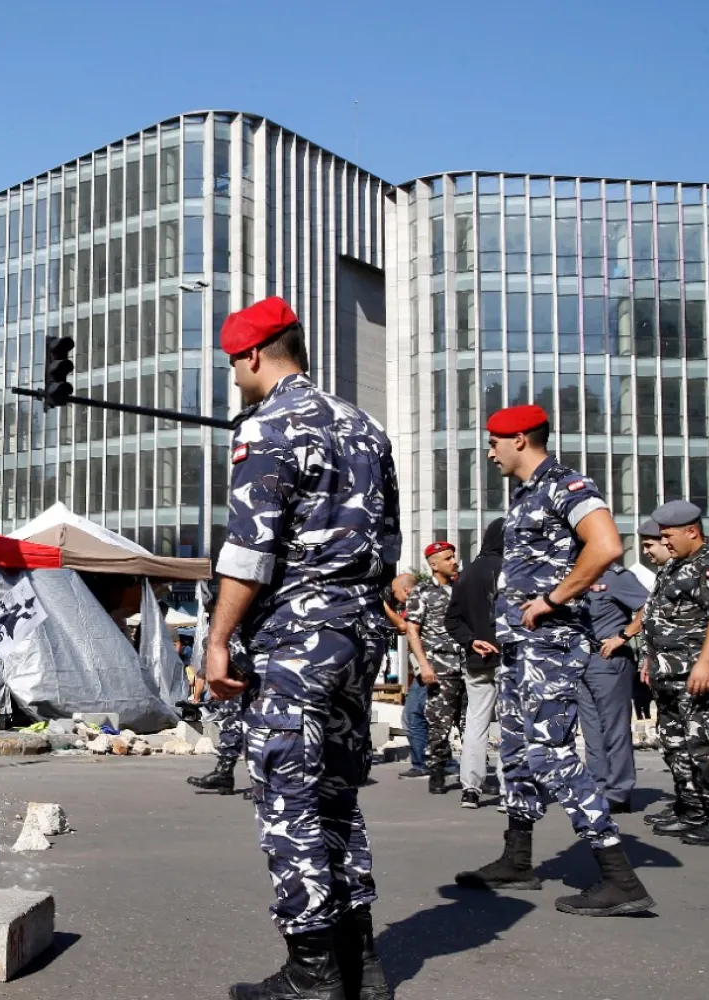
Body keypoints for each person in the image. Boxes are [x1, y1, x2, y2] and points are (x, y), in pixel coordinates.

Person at [204, 297, 399, 1000]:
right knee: (339, 797)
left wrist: (219, 638)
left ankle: (311, 974)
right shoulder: (365, 425)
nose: (234, 377)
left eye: (234, 364)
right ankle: (363, 967)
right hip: (358, 635)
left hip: (296, 640)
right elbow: (389, 543)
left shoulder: (269, 427)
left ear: (254, 354)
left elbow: (251, 547)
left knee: (289, 799)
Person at [455, 404, 653, 917]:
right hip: (524, 647)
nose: (489, 450)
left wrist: (552, 600)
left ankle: (619, 877)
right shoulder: (525, 495)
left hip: (553, 642)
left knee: (549, 753)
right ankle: (517, 860)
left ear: (520, 439)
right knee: (517, 750)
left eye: (494, 441)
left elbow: (607, 545)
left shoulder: (565, 484)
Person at [639, 501, 709, 846]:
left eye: (668, 536)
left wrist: (704, 661)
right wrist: (651, 661)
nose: (664, 542)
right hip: (671, 676)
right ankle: (694, 809)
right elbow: (658, 618)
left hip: (700, 674)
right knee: (678, 746)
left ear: (691, 531)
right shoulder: (677, 567)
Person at [579, 561, 650, 814]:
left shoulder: (615, 576)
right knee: (592, 731)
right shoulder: (575, 574)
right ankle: (599, 787)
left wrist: (624, 635)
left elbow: (649, 606)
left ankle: (619, 791)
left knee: (614, 728)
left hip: (608, 659)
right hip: (580, 660)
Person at [445, 517, 506, 808]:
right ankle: (510, 790)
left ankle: (470, 788)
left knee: (476, 725)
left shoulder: (467, 574)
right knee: (512, 726)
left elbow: (452, 619)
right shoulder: (515, 569)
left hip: (477, 658)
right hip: (511, 659)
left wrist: (470, 640)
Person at [405, 541, 466, 797]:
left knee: (470, 724)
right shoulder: (422, 592)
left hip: (467, 665)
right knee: (439, 726)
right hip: (439, 666)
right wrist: (424, 665)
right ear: (434, 564)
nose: (454, 561)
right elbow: (412, 631)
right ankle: (437, 772)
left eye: (454, 557)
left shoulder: (462, 589)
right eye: (448, 558)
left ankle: (475, 775)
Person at [384, 574, 429, 779]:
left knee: (412, 716)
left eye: (394, 593)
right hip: (430, 667)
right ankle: (440, 764)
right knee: (430, 717)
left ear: (406, 591)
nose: (393, 597)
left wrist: (383, 605)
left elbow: (402, 627)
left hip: (428, 668)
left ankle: (422, 765)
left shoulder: (418, 605)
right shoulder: (425, 601)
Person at [630, 522, 672, 723]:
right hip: (664, 671)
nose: (645, 552)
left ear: (665, 541)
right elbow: (653, 622)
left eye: (649, 545)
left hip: (690, 670)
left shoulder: (699, 569)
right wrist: (648, 658)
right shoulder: (664, 575)